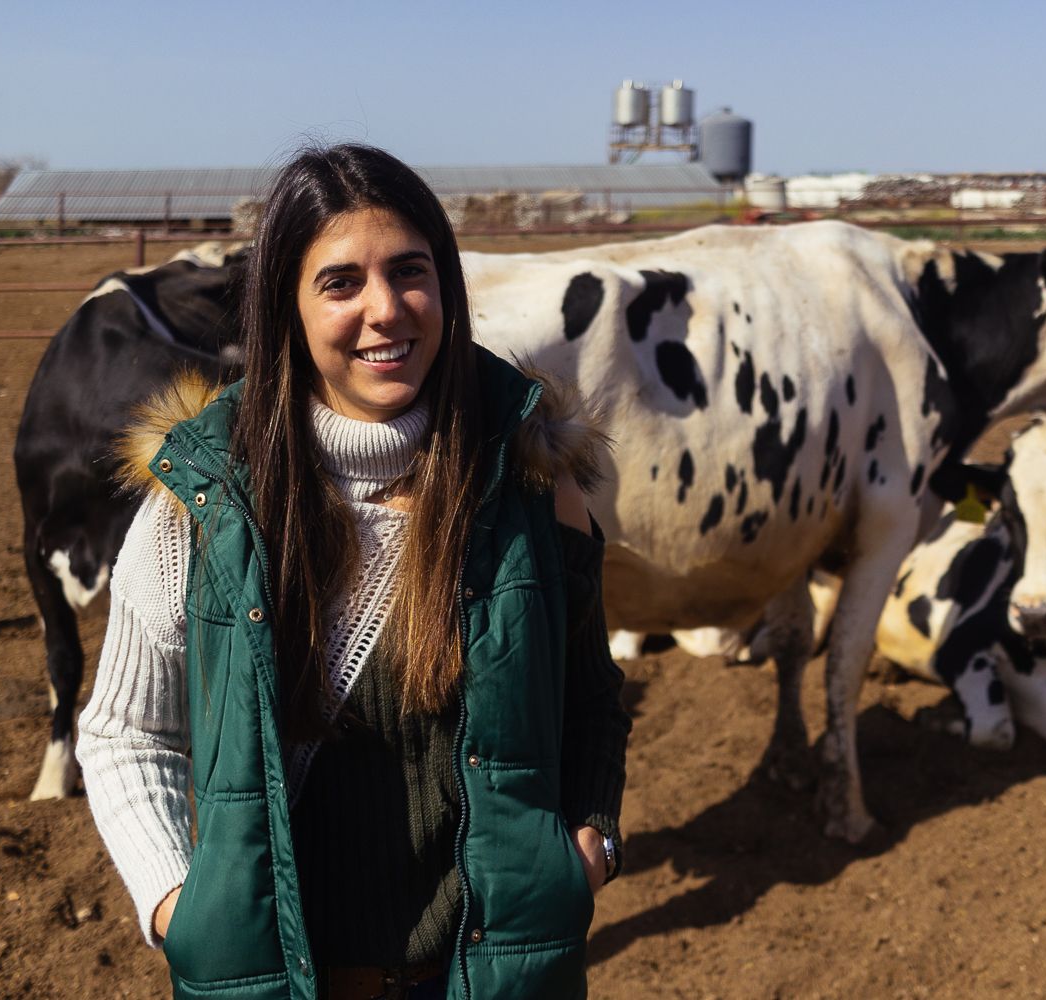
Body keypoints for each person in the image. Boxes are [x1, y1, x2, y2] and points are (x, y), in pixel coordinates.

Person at [77, 143, 631, 1000]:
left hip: (492, 979)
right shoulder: (202, 503)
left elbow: (591, 697)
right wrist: (180, 909)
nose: (386, 310)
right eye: (340, 283)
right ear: (286, 309)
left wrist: (587, 848)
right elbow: (124, 734)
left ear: (445, 284)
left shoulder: (530, 479)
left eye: (411, 272)